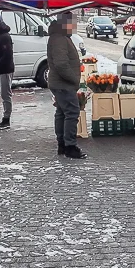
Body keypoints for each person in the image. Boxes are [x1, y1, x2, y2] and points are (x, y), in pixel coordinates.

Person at [47, 12, 85, 159]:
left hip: (61, 83)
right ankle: (70, 146)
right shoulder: (59, 39)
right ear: (65, 24)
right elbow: (61, 63)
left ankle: (63, 145)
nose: (74, 25)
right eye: (72, 23)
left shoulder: (61, 37)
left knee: (62, 113)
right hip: (63, 83)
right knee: (72, 112)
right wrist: (74, 79)